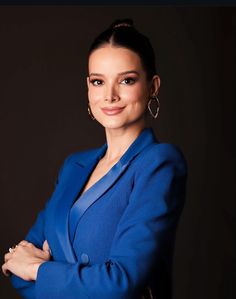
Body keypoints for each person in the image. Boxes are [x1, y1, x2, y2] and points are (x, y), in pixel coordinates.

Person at [2, 18, 187, 299]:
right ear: (88, 88)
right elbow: (17, 268)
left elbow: (120, 283)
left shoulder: (159, 164)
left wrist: (39, 270)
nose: (110, 96)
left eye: (126, 80)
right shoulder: (73, 167)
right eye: (98, 81)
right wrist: (40, 270)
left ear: (153, 86)